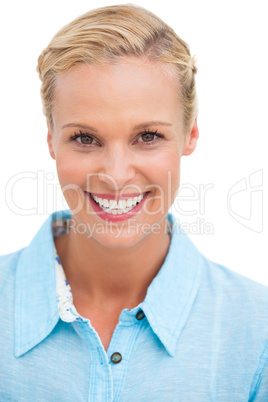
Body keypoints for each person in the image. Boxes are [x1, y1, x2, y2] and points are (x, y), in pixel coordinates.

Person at [0, 4, 267, 400]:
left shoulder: (257, 331)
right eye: (85, 138)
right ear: (51, 139)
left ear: (190, 134)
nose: (117, 174)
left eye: (147, 136)